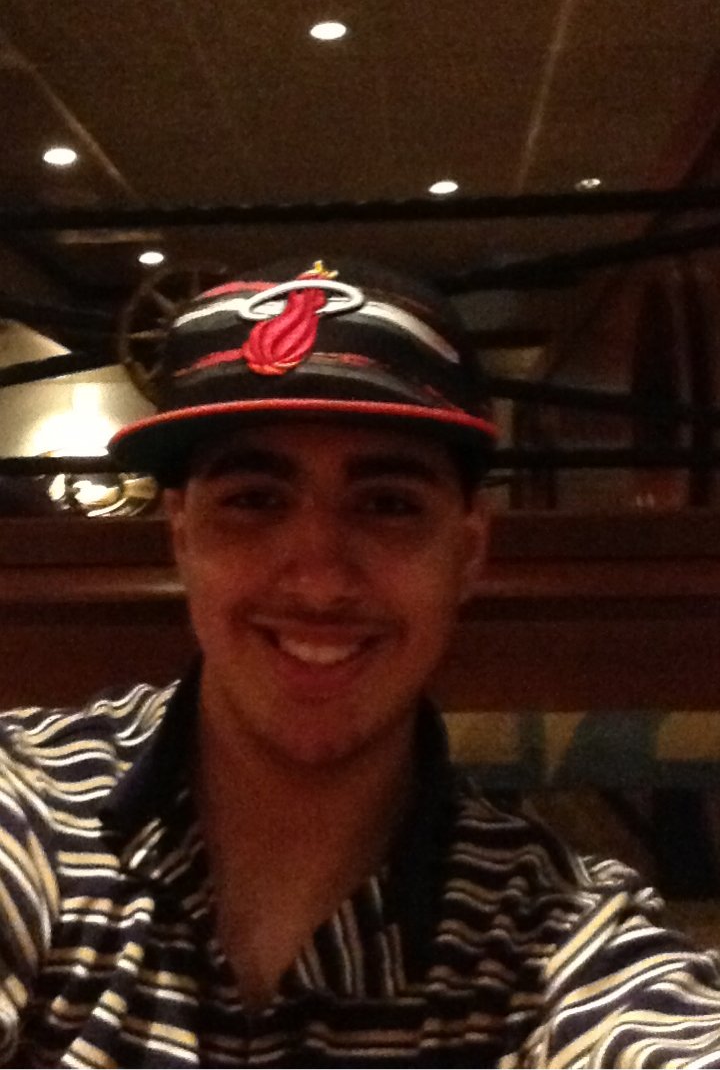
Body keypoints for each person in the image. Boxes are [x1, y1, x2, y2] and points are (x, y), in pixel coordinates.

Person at [0, 255, 719, 1068]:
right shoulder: (32, 811)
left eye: (387, 504)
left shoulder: (556, 931)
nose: (318, 580)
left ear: (468, 552)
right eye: (254, 499)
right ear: (182, 534)